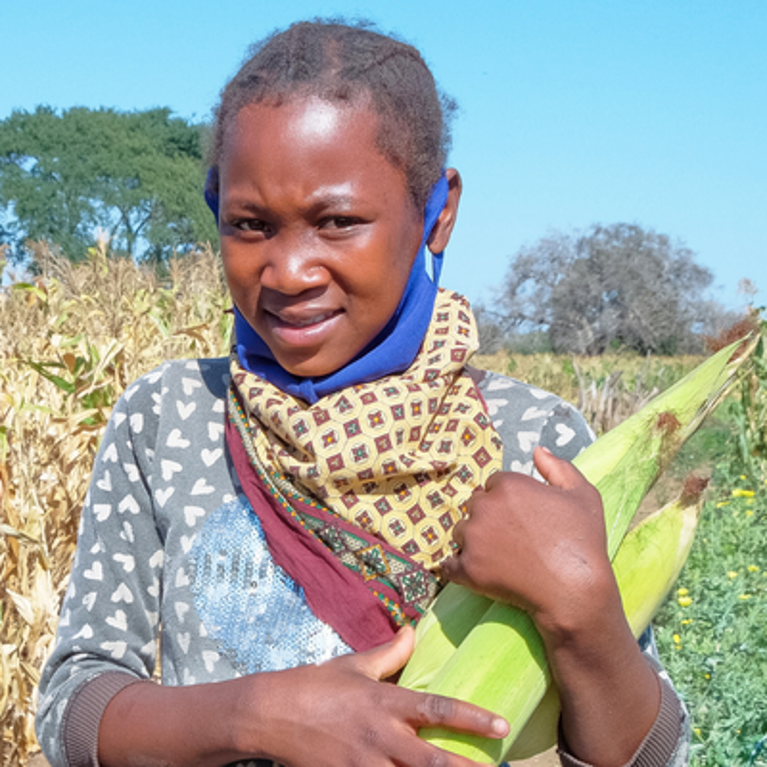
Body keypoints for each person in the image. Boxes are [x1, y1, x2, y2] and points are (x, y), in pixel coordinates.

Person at [36, 20, 690, 767]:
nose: (287, 270)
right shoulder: (166, 418)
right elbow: (73, 706)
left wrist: (582, 612)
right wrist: (256, 714)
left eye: (337, 221)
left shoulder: (531, 440)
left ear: (437, 213)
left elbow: (651, 755)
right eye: (250, 225)